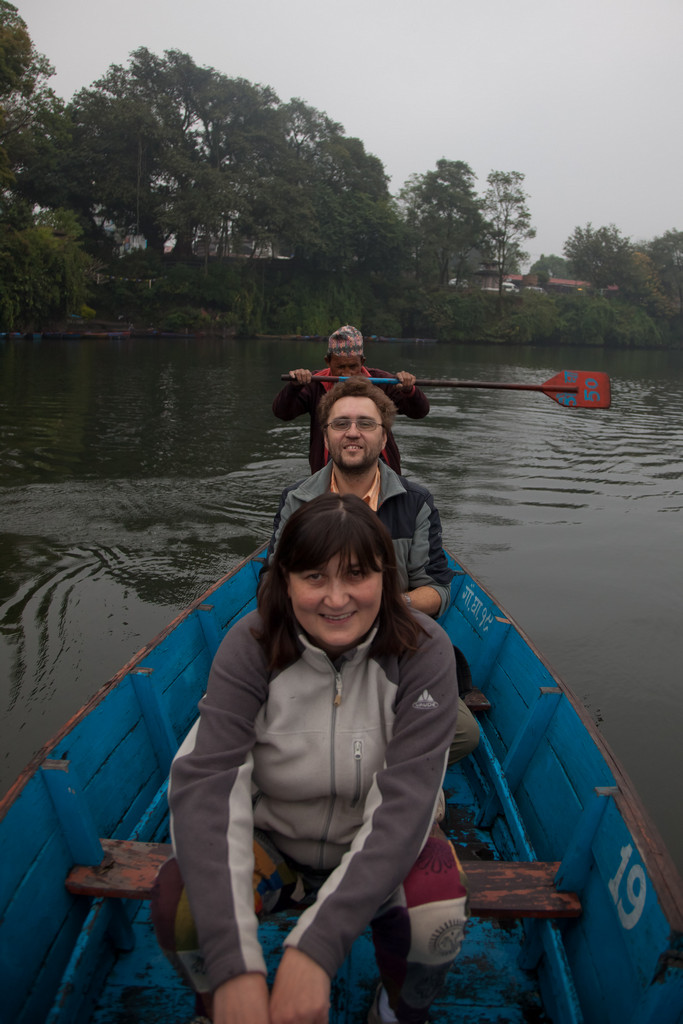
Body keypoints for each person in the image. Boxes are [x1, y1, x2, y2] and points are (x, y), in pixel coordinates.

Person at [155, 494, 470, 1024]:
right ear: (285, 581)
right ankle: (223, 1008)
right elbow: (207, 783)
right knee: (178, 899)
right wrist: (233, 968)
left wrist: (316, 949)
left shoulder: (423, 650)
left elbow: (408, 802)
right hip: (275, 849)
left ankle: (396, 1011)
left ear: (386, 578)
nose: (336, 598)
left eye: (356, 575)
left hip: (377, 849)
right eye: (313, 578)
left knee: (437, 899)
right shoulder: (251, 644)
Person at [265, 375, 480, 764]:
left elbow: (437, 589)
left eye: (366, 424)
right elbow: (270, 583)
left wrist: (379, 607)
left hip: (388, 646)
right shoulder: (298, 500)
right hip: (310, 646)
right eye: (340, 424)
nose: (353, 433)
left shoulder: (415, 503)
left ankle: (358, 762)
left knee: (463, 734)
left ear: (384, 439)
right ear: (326, 437)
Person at [272, 324, 430, 474]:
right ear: (328, 361)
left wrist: (410, 391)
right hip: (328, 469)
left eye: (353, 366)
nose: (347, 374)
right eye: (340, 367)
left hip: (381, 467)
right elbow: (282, 412)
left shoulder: (382, 382)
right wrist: (294, 387)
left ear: (362, 362)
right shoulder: (314, 383)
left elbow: (419, 412)